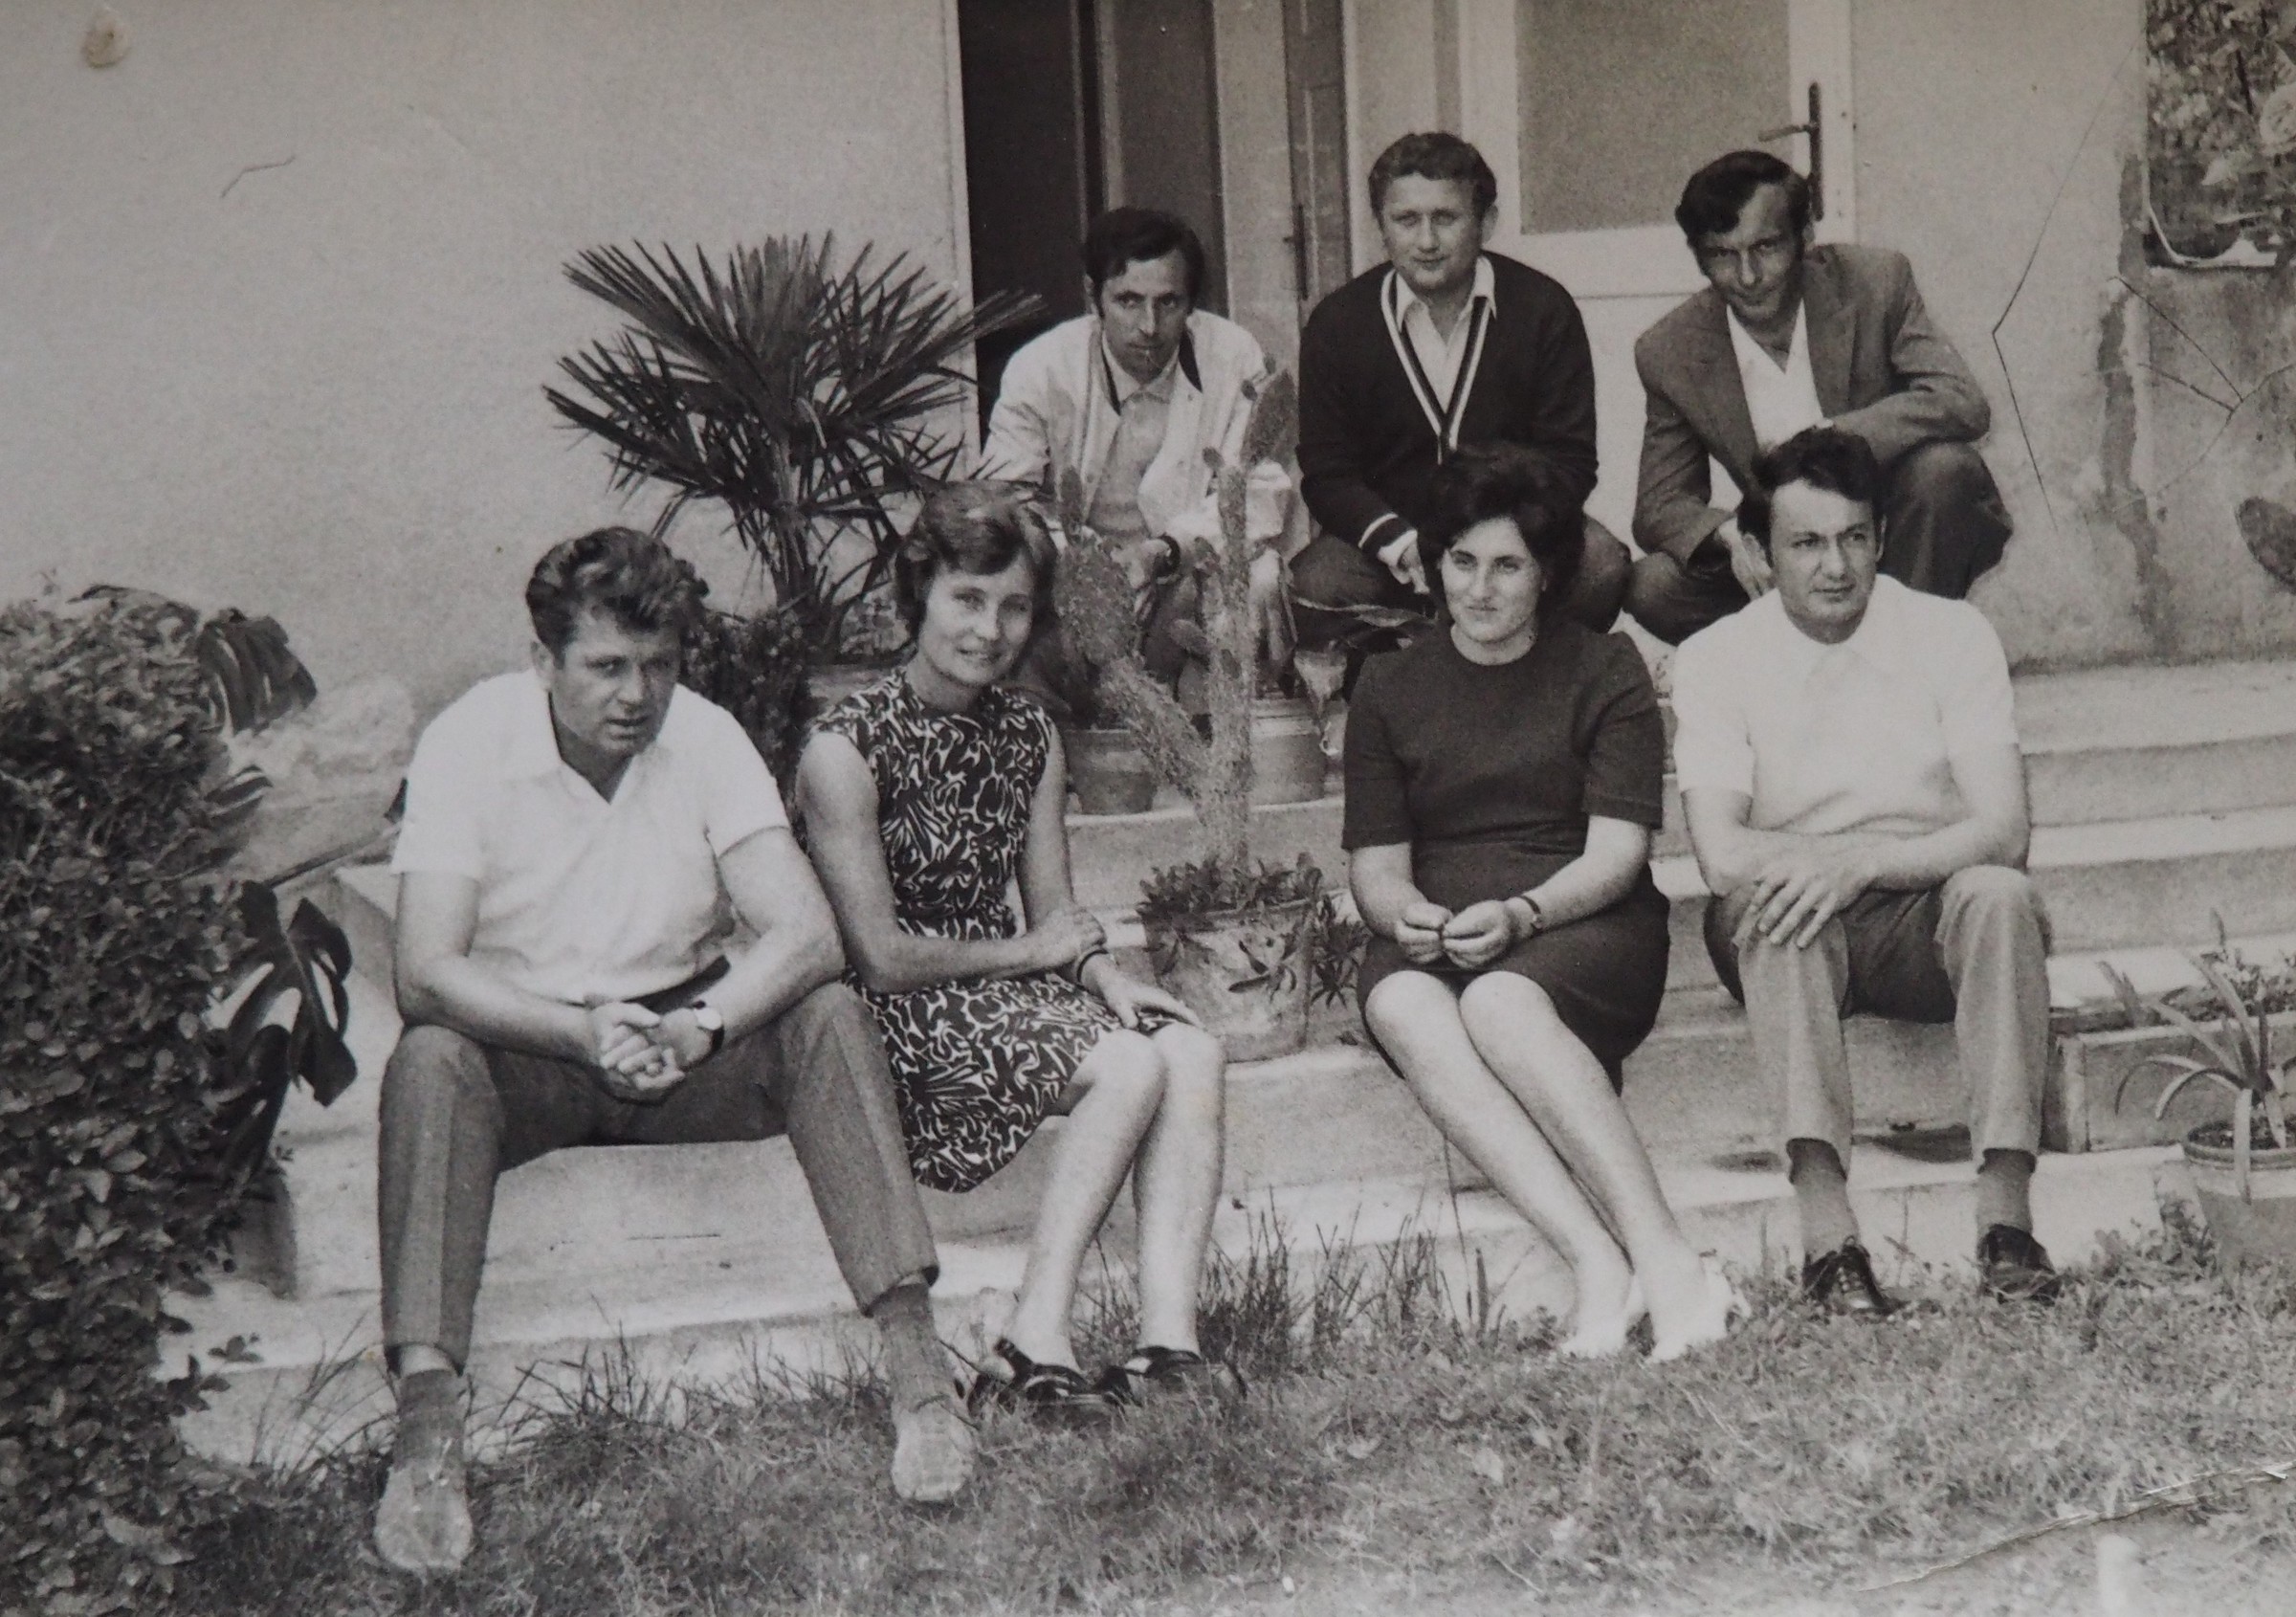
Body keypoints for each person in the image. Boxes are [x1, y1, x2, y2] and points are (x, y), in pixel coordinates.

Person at [372, 528, 972, 1576]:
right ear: (543, 658)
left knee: (828, 1013)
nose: (636, 694)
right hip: (531, 1041)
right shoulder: (470, 739)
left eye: (658, 664)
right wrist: (579, 1032)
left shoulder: (702, 734)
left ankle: (921, 1374)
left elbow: (808, 934)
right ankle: (426, 1431)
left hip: (685, 1039)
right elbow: (424, 969)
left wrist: (701, 1026)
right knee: (428, 1058)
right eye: (606, 666)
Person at [796, 483, 1235, 1415]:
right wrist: (1035, 953)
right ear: (917, 595)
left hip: (1002, 993)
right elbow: (878, 958)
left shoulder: (1028, 731)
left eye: (1014, 607)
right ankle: (1034, 1340)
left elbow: (1055, 915)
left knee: (1189, 1048)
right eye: (966, 598)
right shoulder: (843, 748)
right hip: (897, 1021)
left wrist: (1106, 976)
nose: (989, 630)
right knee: (1125, 1066)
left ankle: (1167, 1346)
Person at [1343, 444, 1737, 1363]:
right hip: (1442, 925)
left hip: (1582, 921)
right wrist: (1404, 916)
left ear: (1549, 573)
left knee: (1500, 1001)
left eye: (1507, 566)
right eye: (1462, 561)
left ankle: (1670, 1262)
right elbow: (1377, 868)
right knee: (1400, 1001)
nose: (1479, 589)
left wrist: (1522, 915)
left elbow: (1617, 855)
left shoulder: (1606, 670)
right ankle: (1596, 1262)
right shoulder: (1389, 686)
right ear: (1436, 562)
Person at [1670, 427, 2061, 1317]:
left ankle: (2007, 1221)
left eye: (1854, 537)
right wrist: (1824, 871)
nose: (1835, 566)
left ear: (1882, 536)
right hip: (1789, 914)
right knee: (1777, 907)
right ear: (1761, 552)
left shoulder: (1953, 634)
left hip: (1925, 907)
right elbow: (1722, 854)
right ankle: (1829, 1239)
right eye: (1806, 543)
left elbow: (2004, 831)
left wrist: (1864, 863)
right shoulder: (1716, 657)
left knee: (2000, 896)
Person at [1625, 149, 2012, 645]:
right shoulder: (1669, 349)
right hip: (1780, 557)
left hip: (1889, 541)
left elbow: (1961, 399)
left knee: (1945, 471)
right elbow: (1659, 504)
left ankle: (1898, 655)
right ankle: (1795, 665)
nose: (1748, 276)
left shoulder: (1875, 281)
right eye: (1722, 255)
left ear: (1804, 235)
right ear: (1698, 257)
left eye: (1766, 247)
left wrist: (1831, 438)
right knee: (1653, 585)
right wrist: (1730, 536)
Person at [1293, 132, 1630, 656]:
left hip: (1513, 536)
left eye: (1446, 218)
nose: (1426, 241)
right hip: (1392, 550)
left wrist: (1496, 546)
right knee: (1318, 583)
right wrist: (1403, 546)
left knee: (1601, 565)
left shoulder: (1543, 309)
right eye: (1406, 220)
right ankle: (1389, 694)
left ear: (1485, 223)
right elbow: (1327, 472)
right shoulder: (1338, 323)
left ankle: (1532, 690)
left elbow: (1570, 460)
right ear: (1381, 225)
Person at [979, 206, 1291, 705]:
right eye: (1128, 301)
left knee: (1258, 578)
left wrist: (1162, 553)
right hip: (1074, 582)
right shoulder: (1040, 369)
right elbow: (1006, 501)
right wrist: (1093, 573)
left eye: (1169, 303)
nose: (1149, 326)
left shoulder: (1234, 356)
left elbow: (1257, 493)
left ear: (1192, 303)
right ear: (1093, 297)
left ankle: (1217, 728)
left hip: (1185, 570)